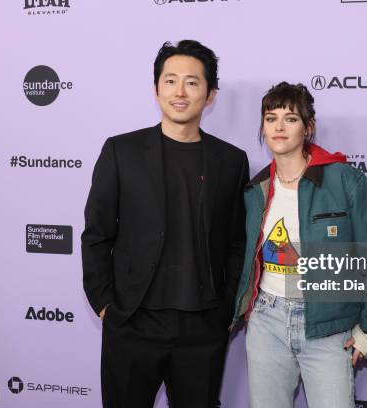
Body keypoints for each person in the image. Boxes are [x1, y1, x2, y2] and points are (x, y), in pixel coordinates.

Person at [81, 40, 249, 408]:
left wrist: (227, 307)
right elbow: (96, 233)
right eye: (170, 80)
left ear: (210, 95)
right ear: (156, 89)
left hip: (203, 327)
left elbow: (238, 242)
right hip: (133, 321)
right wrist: (106, 305)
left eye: (192, 82)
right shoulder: (120, 152)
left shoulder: (232, 161)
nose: (180, 91)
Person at [232, 82, 367, 408]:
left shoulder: (345, 181)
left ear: (308, 127)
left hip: (328, 327)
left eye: (290, 118)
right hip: (267, 322)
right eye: (271, 117)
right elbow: (243, 259)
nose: (279, 127)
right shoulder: (255, 190)